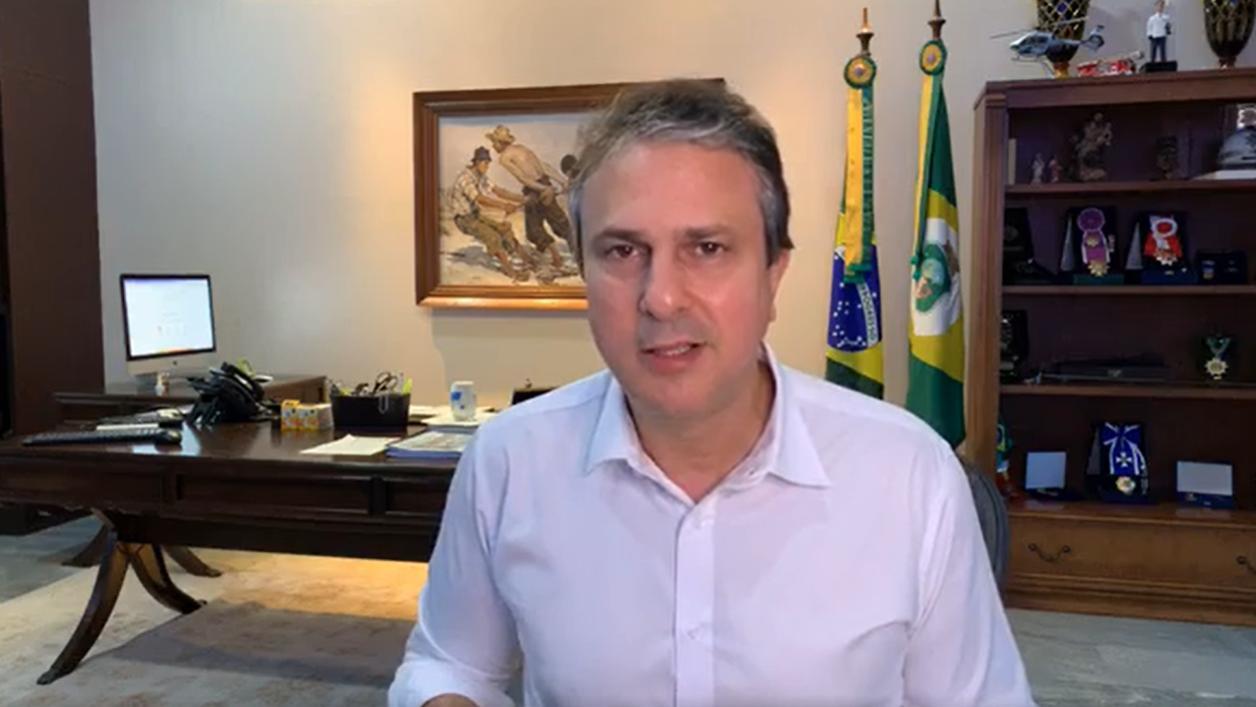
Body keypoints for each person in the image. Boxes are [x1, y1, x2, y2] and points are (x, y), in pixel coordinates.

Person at [391, 80, 1034, 707]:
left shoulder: (909, 473)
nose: (661, 298)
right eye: (622, 250)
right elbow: (449, 659)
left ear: (773, 275)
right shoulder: (509, 460)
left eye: (706, 247)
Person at [485, 125, 574, 274]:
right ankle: (573, 255)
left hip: (535, 189)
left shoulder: (504, 158)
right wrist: (560, 181)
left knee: (534, 230)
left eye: (494, 142)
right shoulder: (522, 148)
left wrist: (542, 189)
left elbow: (523, 178)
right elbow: (543, 167)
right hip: (545, 183)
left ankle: (557, 259)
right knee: (559, 222)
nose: (493, 147)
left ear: (500, 142)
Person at [449, 147, 529, 281]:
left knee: (505, 229)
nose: (487, 167)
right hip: (464, 219)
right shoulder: (465, 179)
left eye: (488, 163)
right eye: (485, 163)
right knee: (492, 236)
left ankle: (528, 261)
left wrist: (523, 199)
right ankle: (509, 270)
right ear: (477, 162)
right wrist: (504, 206)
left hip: (475, 215)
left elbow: (499, 191)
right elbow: (480, 199)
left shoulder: (481, 177)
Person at [1147, 0, 1171, 64]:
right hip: (1154, 36)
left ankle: (1164, 64)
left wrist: (1168, 29)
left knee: (1163, 51)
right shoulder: (1152, 18)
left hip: (1162, 35)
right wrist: (1149, 34)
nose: (1160, 7)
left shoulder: (1166, 17)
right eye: (1159, 6)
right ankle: (1152, 64)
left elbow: (1168, 25)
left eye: (1161, 6)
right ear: (1156, 7)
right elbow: (1149, 27)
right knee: (1153, 52)